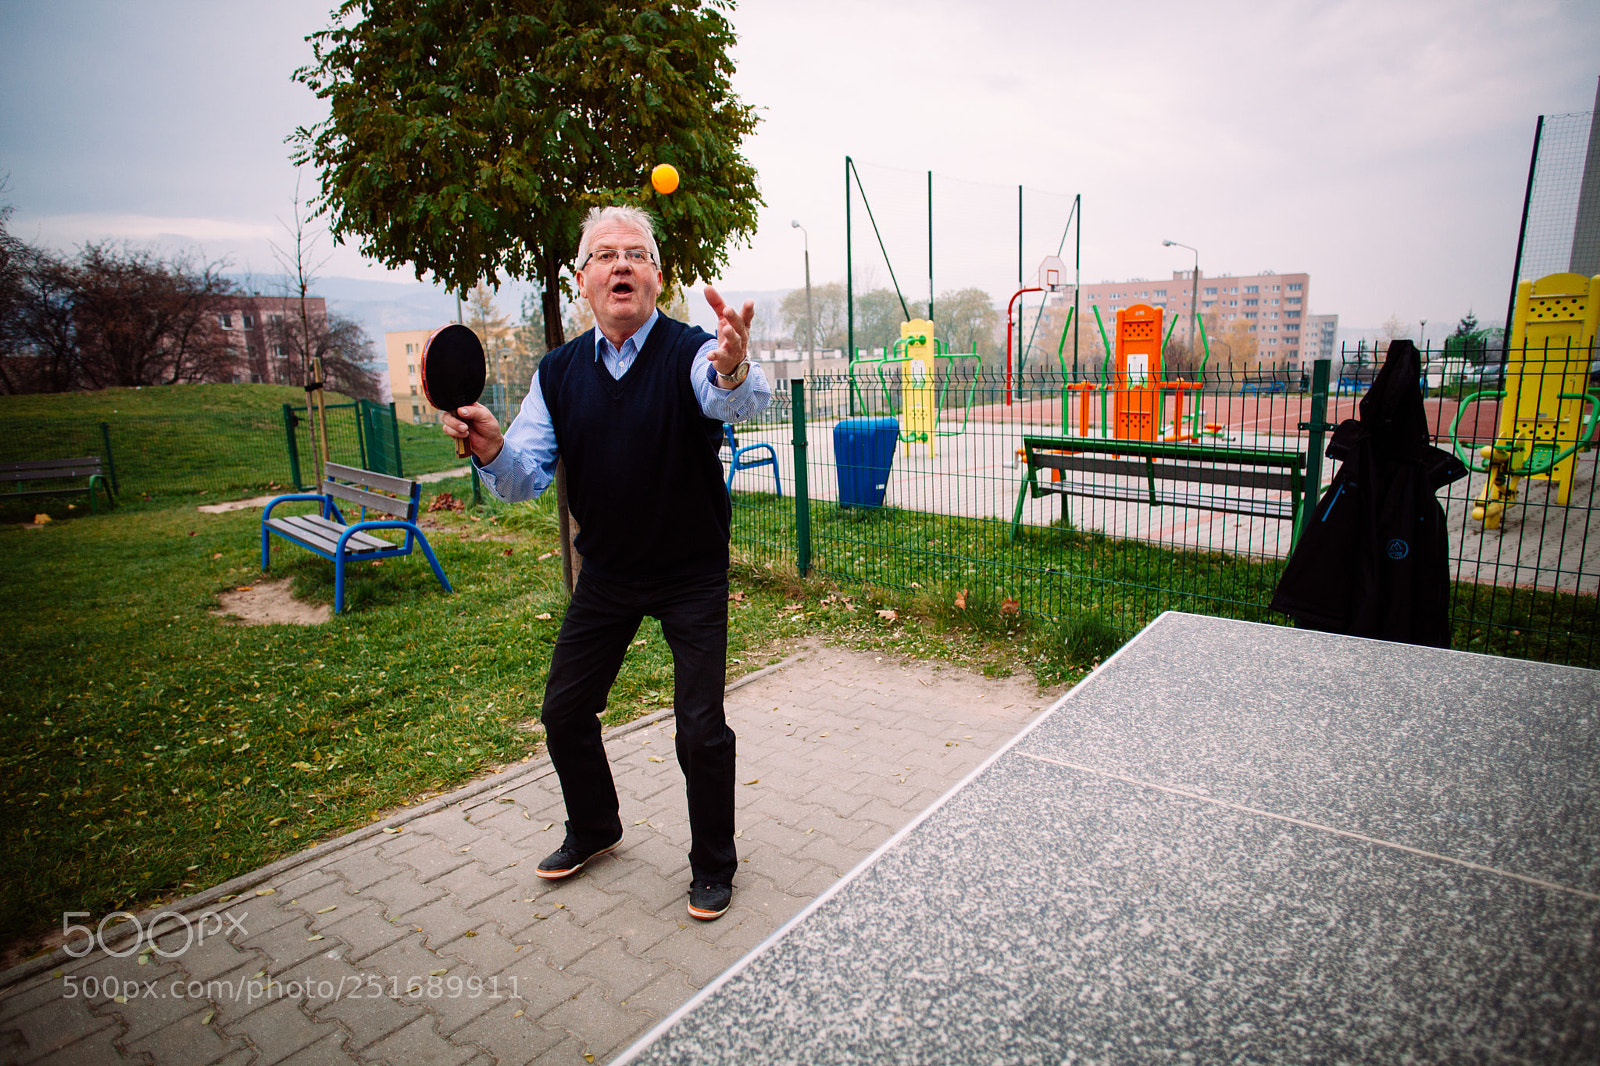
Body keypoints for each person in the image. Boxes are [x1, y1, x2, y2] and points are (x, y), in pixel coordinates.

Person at [442, 205, 770, 921]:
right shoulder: (557, 374)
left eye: (636, 254)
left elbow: (731, 396)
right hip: (609, 575)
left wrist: (735, 362)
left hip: (690, 573)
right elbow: (525, 476)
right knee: (563, 712)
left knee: (699, 729)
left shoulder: (690, 350)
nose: (621, 265)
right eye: (605, 255)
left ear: (657, 277)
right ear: (583, 280)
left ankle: (714, 865)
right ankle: (595, 826)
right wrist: (492, 447)